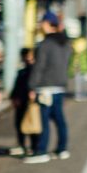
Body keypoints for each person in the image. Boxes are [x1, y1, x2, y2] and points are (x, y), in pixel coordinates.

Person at [23, 12, 72, 164]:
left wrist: (31, 86)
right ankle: (62, 148)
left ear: (49, 24)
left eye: (42, 23)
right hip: (59, 85)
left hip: (45, 87)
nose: (40, 26)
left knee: (43, 120)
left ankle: (41, 150)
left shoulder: (45, 44)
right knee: (59, 119)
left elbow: (39, 67)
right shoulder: (65, 43)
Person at [10, 48, 36, 156]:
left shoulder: (35, 71)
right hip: (21, 101)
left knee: (33, 124)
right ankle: (21, 145)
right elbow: (16, 86)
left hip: (30, 101)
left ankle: (34, 146)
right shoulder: (22, 71)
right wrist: (14, 97)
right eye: (26, 56)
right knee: (19, 124)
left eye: (30, 56)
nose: (28, 59)